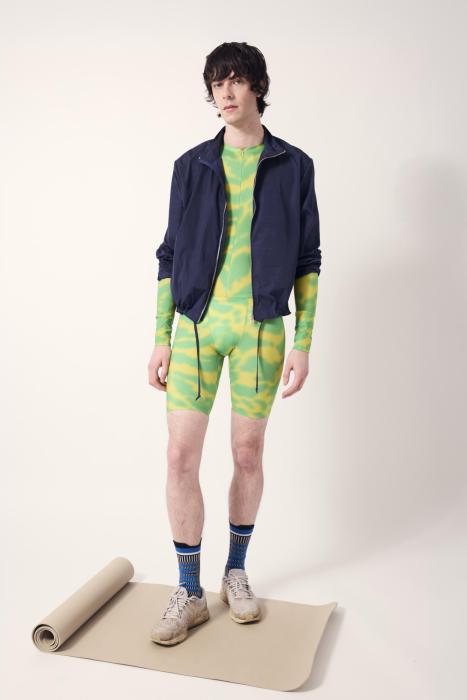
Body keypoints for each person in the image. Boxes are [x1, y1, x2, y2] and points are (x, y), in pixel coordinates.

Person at [148, 42, 321, 645]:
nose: (225, 92)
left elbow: (308, 259)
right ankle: (189, 590)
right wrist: (161, 337)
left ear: (257, 88)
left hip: (261, 331)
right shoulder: (191, 165)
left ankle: (236, 572)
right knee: (179, 457)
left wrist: (303, 341)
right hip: (197, 329)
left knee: (248, 454)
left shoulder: (294, 165)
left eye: (236, 81)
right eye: (217, 82)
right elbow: (169, 255)